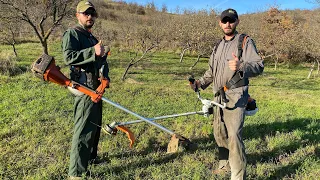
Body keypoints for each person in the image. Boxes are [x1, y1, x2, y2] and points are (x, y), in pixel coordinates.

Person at [190, 8, 264, 180]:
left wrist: (241, 66)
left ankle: (238, 176)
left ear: (237, 22)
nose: (228, 24)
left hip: (236, 96)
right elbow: (211, 72)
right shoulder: (218, 45)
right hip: (218, 96)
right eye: (224, 21)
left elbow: (259, 66)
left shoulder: (244, 41)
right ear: (220, 23)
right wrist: (200, 84)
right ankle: (224, 166)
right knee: (219, 133)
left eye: (231, 20)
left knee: (234, 136)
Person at [61, 0, 110, 179]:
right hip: (84, 88)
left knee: (95, 127)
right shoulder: (72, 34)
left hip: (96, 87)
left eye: (92, 14)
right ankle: (76, 173)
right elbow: (68, 57)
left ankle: (91, 159)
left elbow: (100, 62)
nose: (90, 17)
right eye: (86, 13)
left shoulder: (92, 37)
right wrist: (92, 52)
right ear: (78, 15)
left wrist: (105, 75)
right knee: (83, 131)